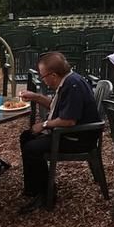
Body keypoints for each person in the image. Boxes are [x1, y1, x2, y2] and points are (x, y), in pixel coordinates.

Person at [18, 52, 100, 213]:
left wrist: (44, 125)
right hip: (69, 133)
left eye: (43, 76)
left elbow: (68, 120)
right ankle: (33, 188)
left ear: (53, 75)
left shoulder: (73, 86)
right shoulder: (68, 80)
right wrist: (35, 96)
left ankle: (46, 194)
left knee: (32, 148)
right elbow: (57, 108)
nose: (43, 80)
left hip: (79, 138)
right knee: (26, 136)